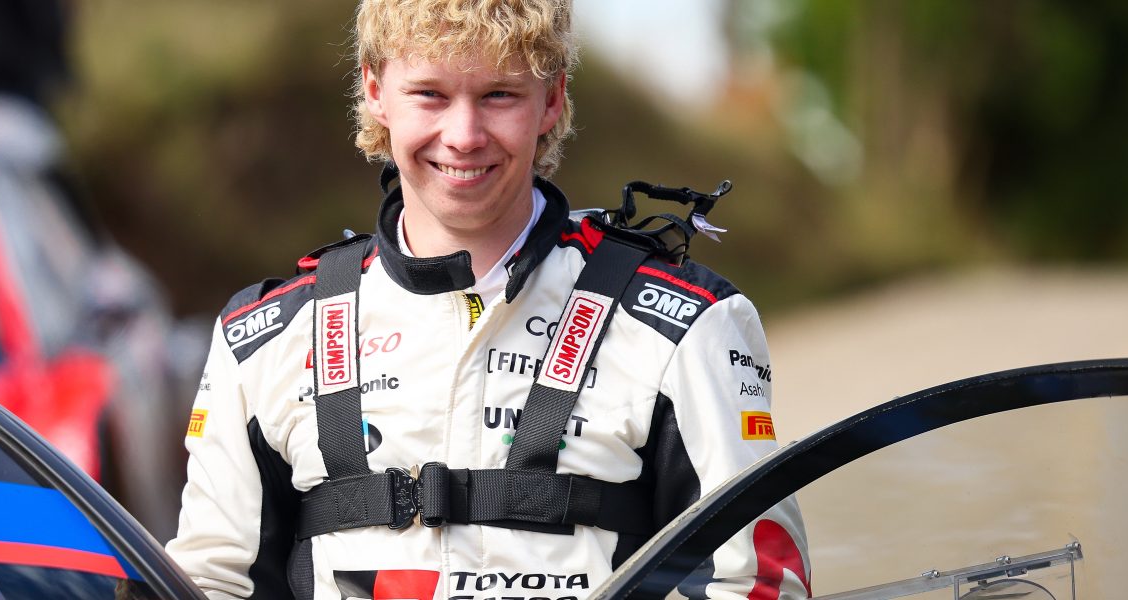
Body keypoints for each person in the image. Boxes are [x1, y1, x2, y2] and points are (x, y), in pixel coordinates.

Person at [165, 1, 808, 599]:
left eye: (499, 94)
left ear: (551, 99)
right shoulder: (263, 339)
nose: (464, 135)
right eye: (430, 94)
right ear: (375, 91)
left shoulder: (688, 326)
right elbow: (210, 583)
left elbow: (754, 583)